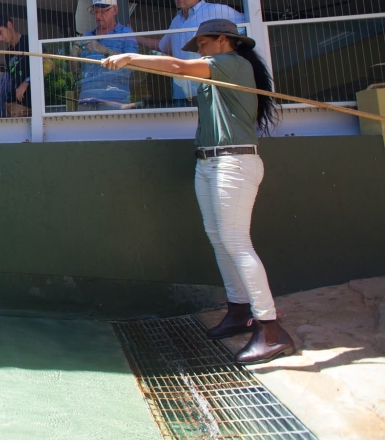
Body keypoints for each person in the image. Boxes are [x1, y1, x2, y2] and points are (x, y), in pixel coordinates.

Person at [104, 19, 294, 365]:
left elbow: (177, 66)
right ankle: (239, 312)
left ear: (224, 40)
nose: (200, 50)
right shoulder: (213, 72)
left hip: (233, 162)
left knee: (236, 242)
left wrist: (129, 57)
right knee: (219, 239)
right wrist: (137, 62)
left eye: (203, 44)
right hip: (208, 162)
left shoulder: (232, 63)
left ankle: (270, 329)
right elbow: (175, 69)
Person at [138, 0, 245, 106]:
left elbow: (250, 25)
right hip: (181, 94)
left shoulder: (218, 10)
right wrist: (133, 38)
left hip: (210, 91)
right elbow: (163, 46)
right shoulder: (176, 21)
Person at [72, 0, 137, 110]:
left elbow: (133, 64)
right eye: (96, 11)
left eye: (103, 11)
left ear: (115, 10)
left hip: (114, 100)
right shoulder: (87, 36)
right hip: (86, 100)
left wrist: (104, 50)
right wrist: (73, 56)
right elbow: (75, 74)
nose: (98, 16)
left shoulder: (126, 34)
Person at [0, 15, 32, 117]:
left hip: (27, 104)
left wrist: (26, 82)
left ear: (9, 25)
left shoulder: (28, 42)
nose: (0, 39)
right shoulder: (8, 53)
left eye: (0, 32)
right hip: (9, 104)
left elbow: (48, 64)